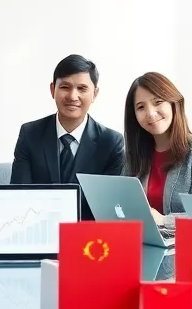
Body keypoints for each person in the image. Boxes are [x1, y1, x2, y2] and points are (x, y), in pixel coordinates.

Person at [11, 54, 125, 218]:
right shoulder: (30, 134)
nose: (72, 96)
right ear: (52, 89)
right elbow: (19, 195)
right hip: (38, 232)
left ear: (95, 93)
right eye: (65, 87)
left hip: (87, 237)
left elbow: (107, 208)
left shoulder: (111, 143)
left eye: (82, 88)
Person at [121, 72, 192, 226]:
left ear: (174, 103)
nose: (150, 113)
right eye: (141, 107)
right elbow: (121, 203)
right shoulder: (134, 154)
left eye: (158, 102)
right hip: (141, 240)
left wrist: (164, 220)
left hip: (184, 243)